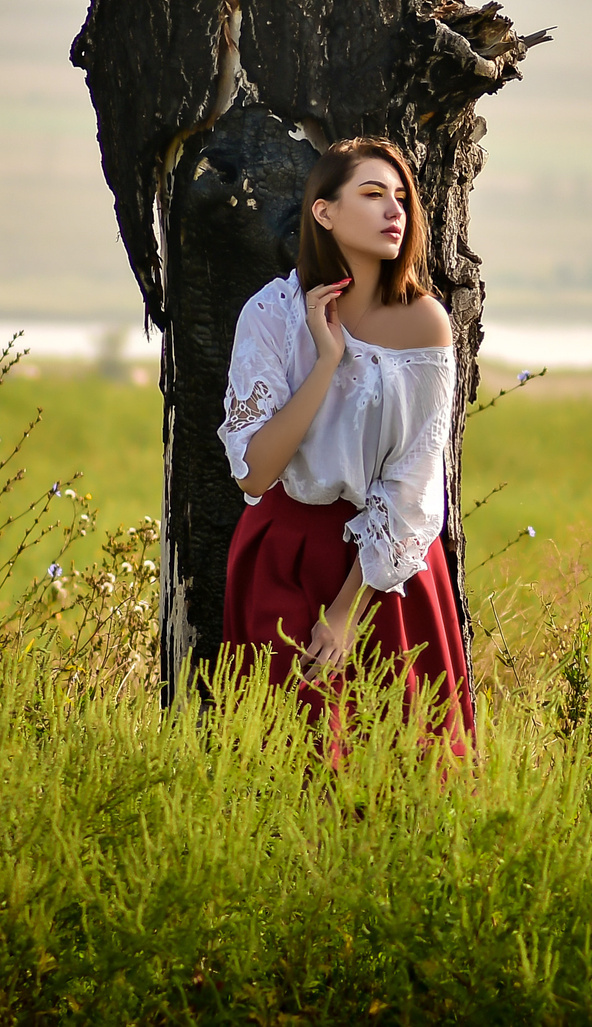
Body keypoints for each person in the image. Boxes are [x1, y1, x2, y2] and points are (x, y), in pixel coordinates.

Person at [217, 137, 472, 754]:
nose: (395, 211)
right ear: (324, 213)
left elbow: (415, 481)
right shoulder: (272, 314)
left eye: (403, 198)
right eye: (373, 193)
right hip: (283, 555)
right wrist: (326, 362)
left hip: (387, 573)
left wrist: (345, 612)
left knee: (401, 768)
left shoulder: (425, 321)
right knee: (284, 768)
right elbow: (254, 474)